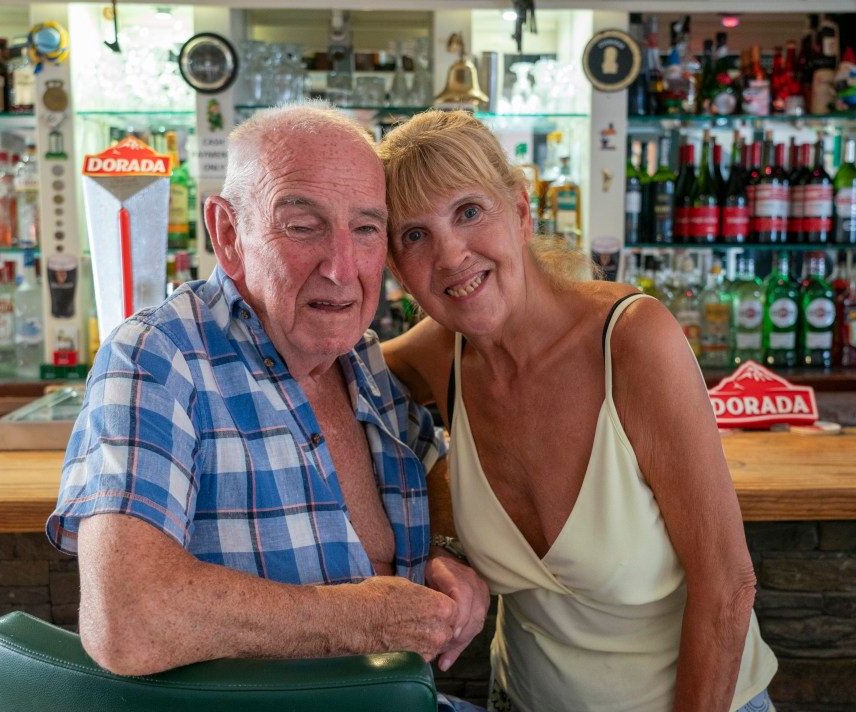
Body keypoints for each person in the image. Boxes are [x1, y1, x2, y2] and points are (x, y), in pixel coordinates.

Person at [45, 104, 489, 702]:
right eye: (303, 226)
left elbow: (425, 499)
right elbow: (127, 619)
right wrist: (357, 620)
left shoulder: (364, 364)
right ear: (228, 233)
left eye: (366, 229)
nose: (342, 269)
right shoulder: (158, 355)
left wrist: (445, 560)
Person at [377, 109, 778, 712]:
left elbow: (728, 585)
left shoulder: (632, 340)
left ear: (519, 210)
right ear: (395, 268)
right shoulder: (444, 351)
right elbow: (329, 381)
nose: (451, 255)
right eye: (414, 235)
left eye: (468, 211)